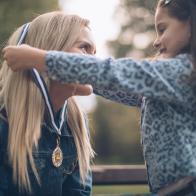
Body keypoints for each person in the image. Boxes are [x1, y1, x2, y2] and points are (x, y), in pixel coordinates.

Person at [3, 0, 196, 195]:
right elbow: (107, 80)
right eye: (84, 49)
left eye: (162, 29)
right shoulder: (161, 84)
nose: (156, 41)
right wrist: (58, 74)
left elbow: (111, 73)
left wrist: (41, 59)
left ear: (190, 25)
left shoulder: (183, 72)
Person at [0, 11, 96, 196]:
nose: (94, 62)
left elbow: (79, 192)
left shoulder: (76, 121)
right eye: (84, 47)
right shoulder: (4, 122)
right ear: (49, 51)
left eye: (94, 52)